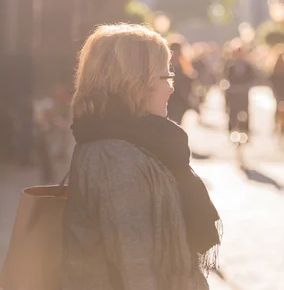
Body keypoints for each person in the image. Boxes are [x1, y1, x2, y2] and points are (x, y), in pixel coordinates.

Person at [63, 24, 221, 290]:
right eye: (166, 76)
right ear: (136, 82)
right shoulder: (115, 158)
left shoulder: (138, 143)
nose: (172, 87)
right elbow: (135, 269)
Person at [223, 44, 254, 137]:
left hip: (243, 92)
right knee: (233, 112)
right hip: (233, 92)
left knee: (244, 112)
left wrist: (247, 85)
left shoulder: (248, 66)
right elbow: (225, 77)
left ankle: (245, 131)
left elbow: (252, 77)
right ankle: (232, 131)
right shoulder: (230, 65)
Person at [167, 41, 194, 124]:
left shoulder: (183, 63)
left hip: (179, 97)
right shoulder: (165, 63)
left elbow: (189, 77)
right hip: (168, 97)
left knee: (176, 120)